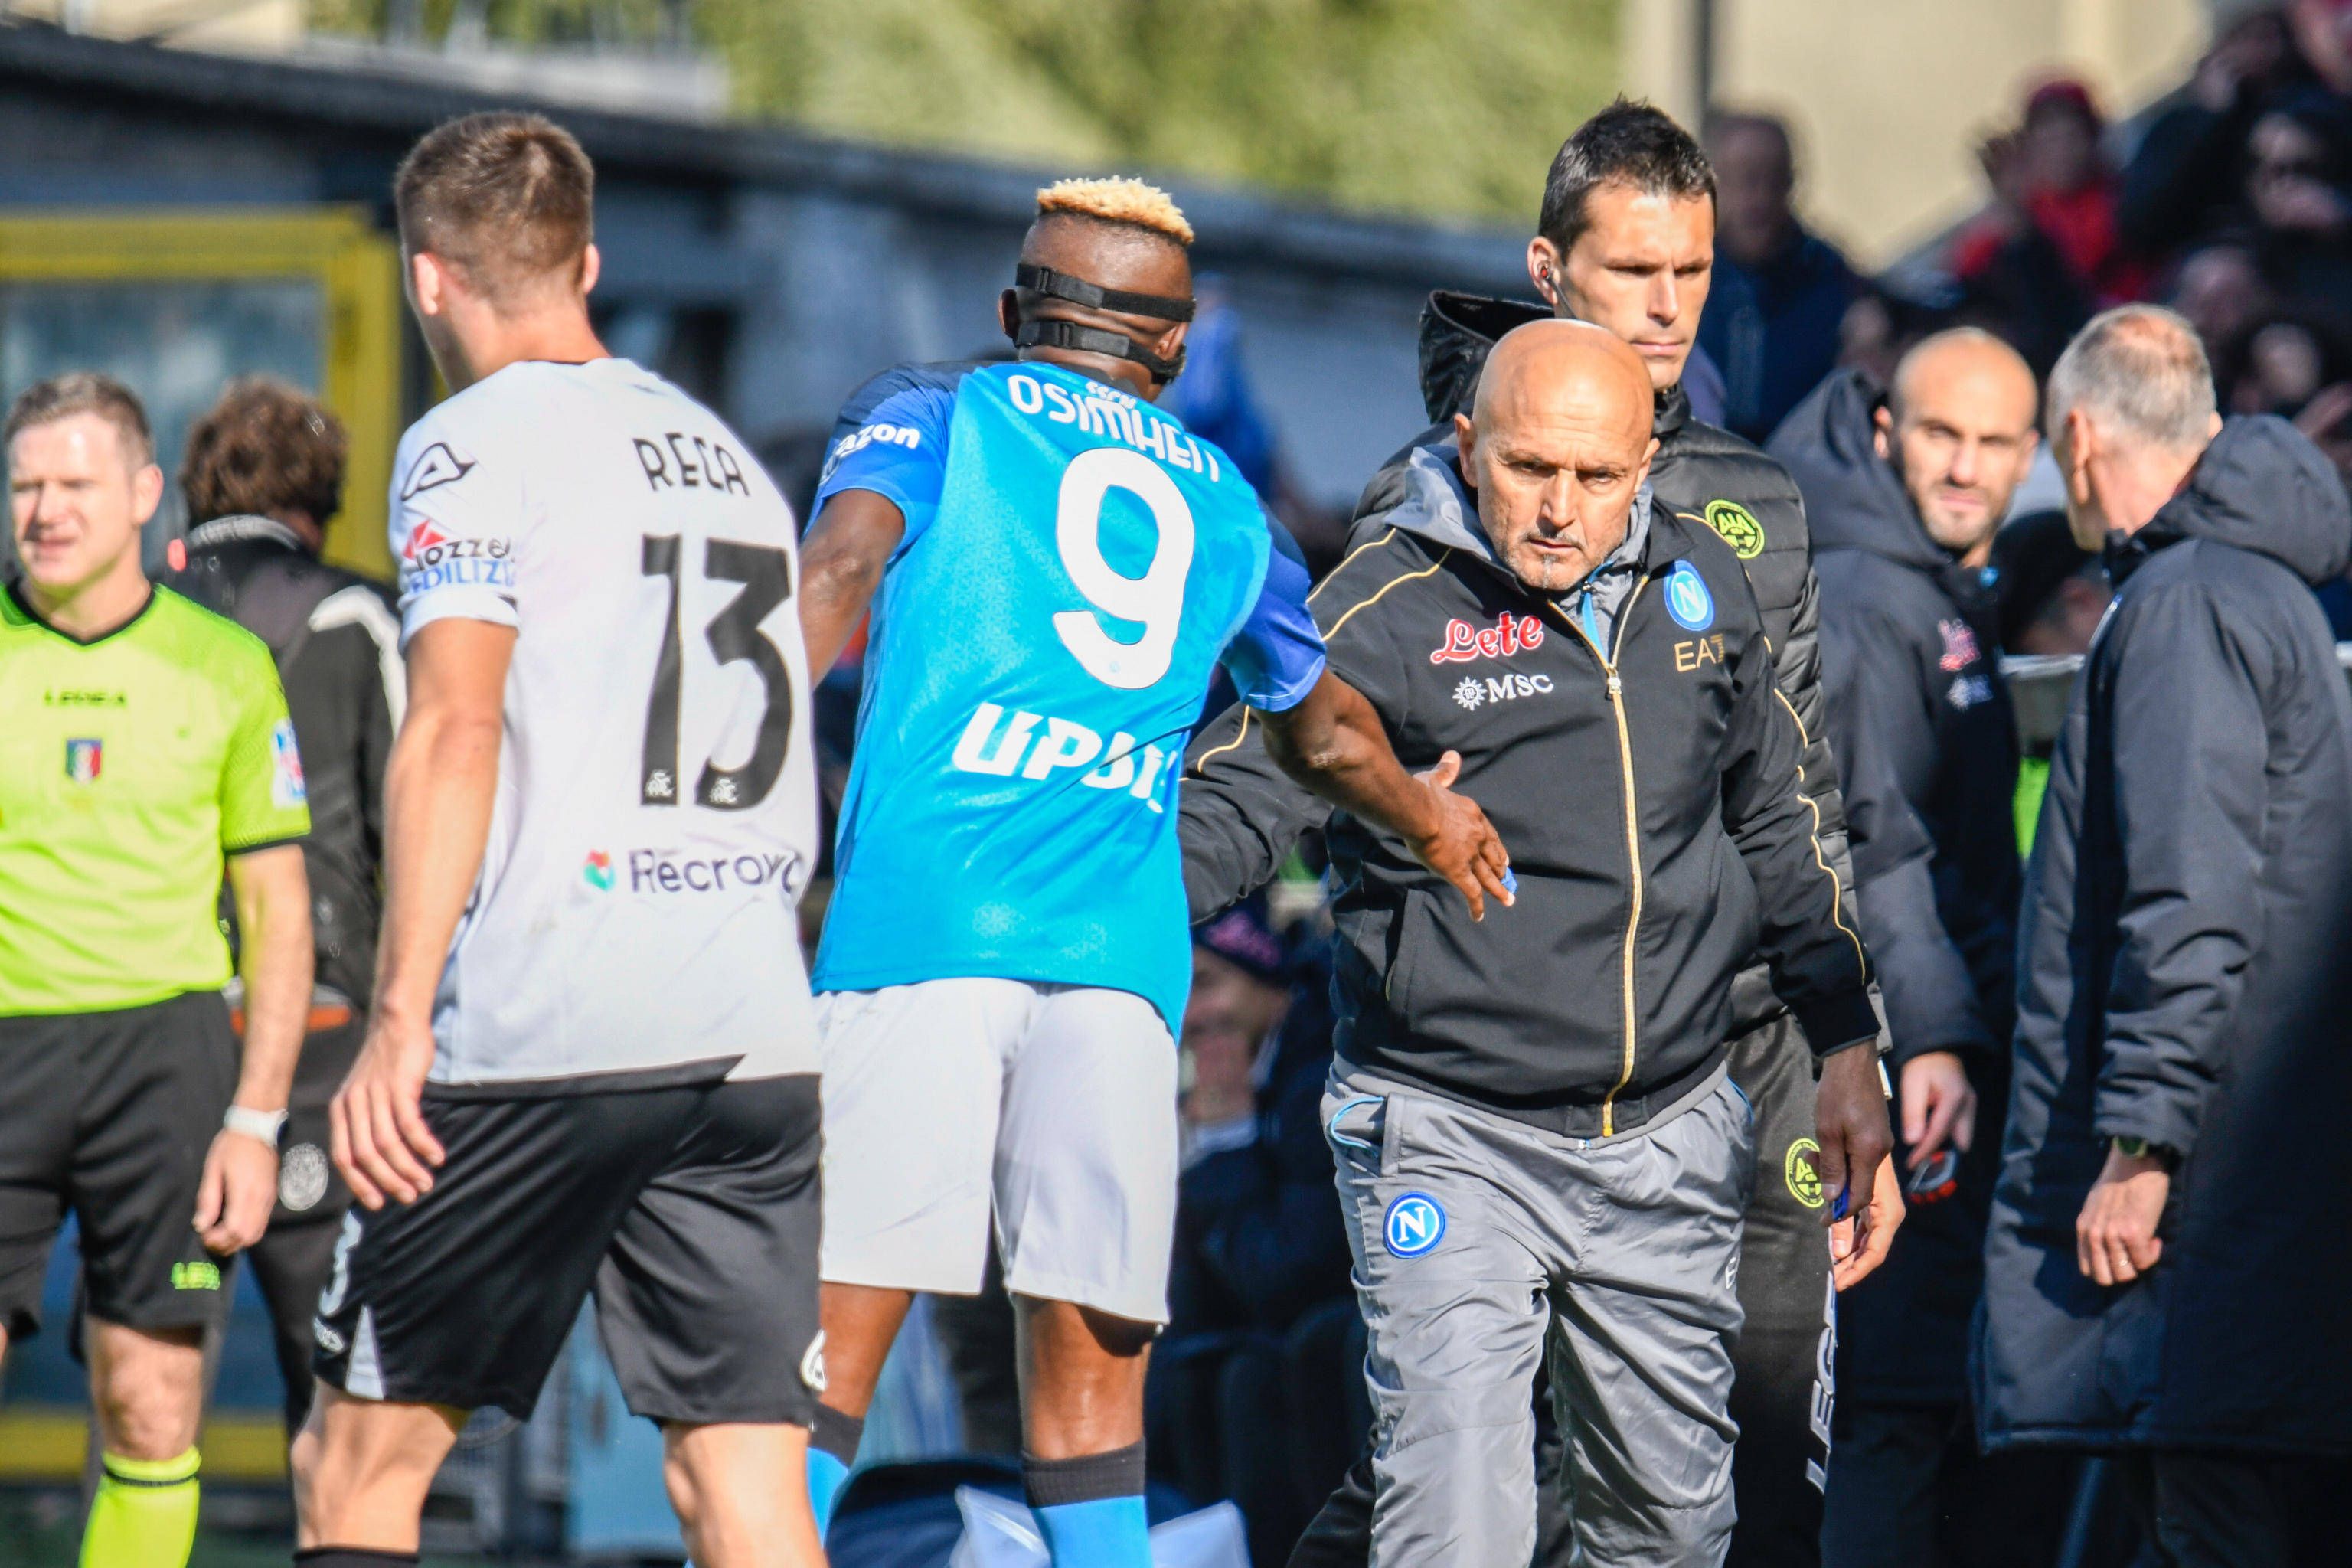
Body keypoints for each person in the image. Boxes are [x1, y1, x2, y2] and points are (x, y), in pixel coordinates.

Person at [792, 177, 1505, 1568]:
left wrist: (727, 762)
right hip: (1118, 981)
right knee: (1093, 1401)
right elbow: (1326, 733)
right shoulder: (1229, 506)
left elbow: (837, 567)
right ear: (1175, 352)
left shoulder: (935, 409)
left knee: (823, 1365)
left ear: (1009, 316)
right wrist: (1432, 821)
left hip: (921, 938)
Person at [1281, 100, 1900, 1568]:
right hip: (1483, 1080)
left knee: (1715, 1494)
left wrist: (1846, 1029)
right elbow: (1327, 783)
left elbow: (1787, 787)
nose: (1668, 308)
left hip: (1718, 1064)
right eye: (1634, 273)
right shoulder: (1420, 528)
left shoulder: (1749, 503)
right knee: (1444, 1486)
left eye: (1691, 275)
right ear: (1549, 270)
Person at [289, 113, 830, 1568]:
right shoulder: (722, 456)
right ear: (584, 261)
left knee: (354, 1467)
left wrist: (397, 1019)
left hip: (554, 1017)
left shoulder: (466, 443)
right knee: (744, 1488)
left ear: (426, 281)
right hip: (749, 1027)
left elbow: (455, 726)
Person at [1978, 304, 2352, 1567]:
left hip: (2205, 1197)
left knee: (2207, 1525)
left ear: (2077, 438)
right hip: (2256, 1184)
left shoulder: (2186, 599)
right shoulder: (2261, 588)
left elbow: (2192, 895)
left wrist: (2140, 1142)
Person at [1771, 332, 2076, 1564]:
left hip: (1918, 1058)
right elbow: (1869, 846)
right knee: (1886, 1406)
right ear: (1889, 434)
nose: (1968, 467)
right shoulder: (1867, 599)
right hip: (1882, 1076)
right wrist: (1936, 1036)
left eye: (1997, 442)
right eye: (1942, 435)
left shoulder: (1928, 588)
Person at [1, 373, 314, 1568]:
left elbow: (276, 908)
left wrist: (254, 1115)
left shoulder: (226, 666)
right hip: (7, 1044)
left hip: (164, 1061)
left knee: (149, 1406)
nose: (46, 510)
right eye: (26, 485)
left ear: (141, 494)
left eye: (74, 483)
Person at [165, 377, 402, 1442]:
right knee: (337, 1392)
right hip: (319, 1034)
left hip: (156, 1027)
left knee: (150, 1378)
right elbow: (413, 822)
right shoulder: (356, 614)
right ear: (319, 505)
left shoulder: (135, 619)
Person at [1150, 900, 1357, 1568]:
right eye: (1177, 994)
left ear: (1266, 977)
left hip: (1343, 1317)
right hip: (1287, 1323)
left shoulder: (1317, 1075)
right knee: (1178, 1371)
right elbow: (1195, 1306)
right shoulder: (1240, 1076)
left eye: (1208, 984)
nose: (1193, 1018)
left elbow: (1283, 1275)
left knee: (1256, 1377)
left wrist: (1224, 1146)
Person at [1697, 111, 1860, 444]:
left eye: (1774, 180)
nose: (1759, 199)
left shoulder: (1830, 275)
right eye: (1745, 179)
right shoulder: (1680, 269)